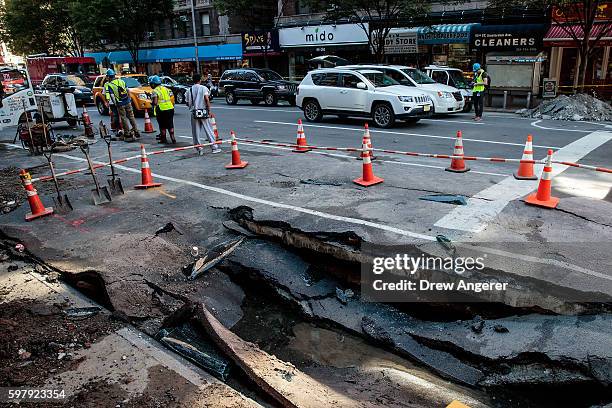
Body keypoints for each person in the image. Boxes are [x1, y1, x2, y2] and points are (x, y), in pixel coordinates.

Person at [186, 73, 221, 155]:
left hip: (194, 113)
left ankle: (199, 149)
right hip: (203, 112)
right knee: (208, 129)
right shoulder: (203, 88)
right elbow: (206, 99)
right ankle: (214, 147)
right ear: (200, 80)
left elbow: (187, 103)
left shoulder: (189, 90)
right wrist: (209, 110)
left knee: (196, 132)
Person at [104, 69, 140, 141]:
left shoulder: (110, 85)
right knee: (131, 116)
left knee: (123, 118)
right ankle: (136, 130)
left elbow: (112, 96)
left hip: (120, 103)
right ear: (114, 75)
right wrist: (129, 99)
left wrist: (115, 104)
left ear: (108, 77)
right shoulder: (122, 81)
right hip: (127, 101)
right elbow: (127, 90)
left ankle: (127, 132)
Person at [148, 75, 176, 144]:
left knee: (162, 125)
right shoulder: (166, 89)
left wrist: (151, 102)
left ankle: (163, 139)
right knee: (170, 124)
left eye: (151, 84)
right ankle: (173, 139)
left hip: (161, 109)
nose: (151, 85)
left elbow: (155, 102)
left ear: (154, 84)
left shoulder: (155, 91)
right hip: (170, 108)